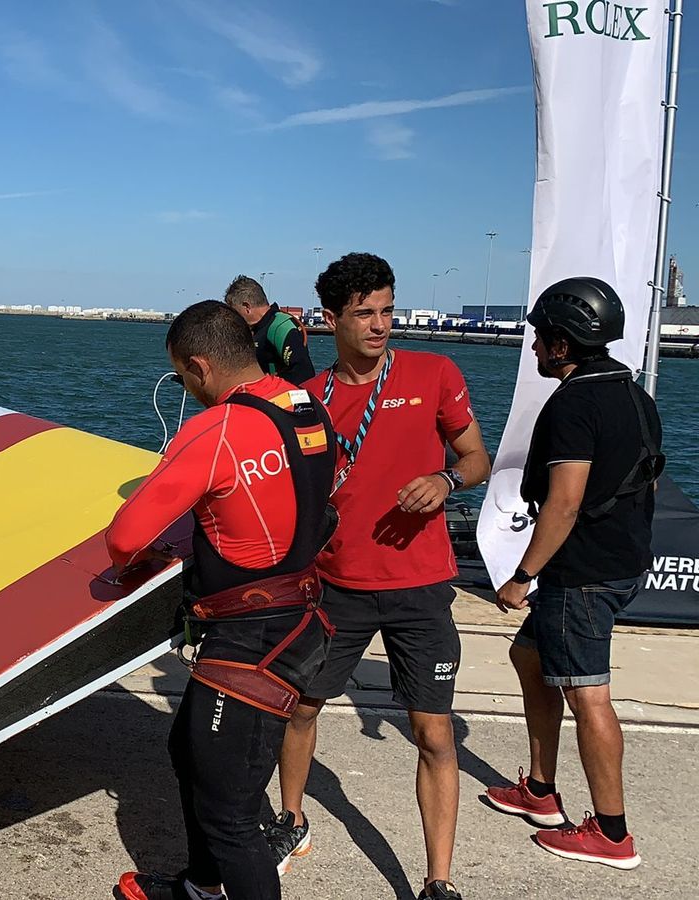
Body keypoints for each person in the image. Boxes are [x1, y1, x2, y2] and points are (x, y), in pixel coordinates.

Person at [269, 253, 490, 900]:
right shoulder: (311, 399)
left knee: (434, 732)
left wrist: (446, 479)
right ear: (331, 320)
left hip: (420, 590)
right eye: (364, 313)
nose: (379, 324)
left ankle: (439, 881)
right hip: (338, 587)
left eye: (387, 309)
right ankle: (292, 820)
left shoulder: (435, 373)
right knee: (301, 707)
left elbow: (476, 456)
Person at [109, 300, 337, 900]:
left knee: (231, 818)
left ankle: (217, 881)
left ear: (201, 365)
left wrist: (143, 558)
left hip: (254, 636)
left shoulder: (216, 428)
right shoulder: (306, 406)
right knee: (187, 749)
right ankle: (200, 889)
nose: (187, 389)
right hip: (302, 613)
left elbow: (125, 537)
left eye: (184, 378)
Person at [482, 277, 660, 870]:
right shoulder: (633, 394)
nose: (534, 348)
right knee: (528, 657)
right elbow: (646, 478)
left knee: (589, 696)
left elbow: (563, 503)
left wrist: (522, 575)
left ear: (563, 343)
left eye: (541, 338)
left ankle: (612, 834)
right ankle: (539, 791)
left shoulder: (576, 403)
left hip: (580, 573)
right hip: (621, 559)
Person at [224, 274, 315, 383]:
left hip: (278, 396)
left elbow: (304, 372)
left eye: (235, 312)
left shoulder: (280, 326)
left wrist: (270, 388)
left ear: (247, 307)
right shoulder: (255, 329)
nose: (234, 318)